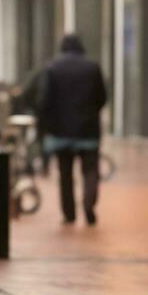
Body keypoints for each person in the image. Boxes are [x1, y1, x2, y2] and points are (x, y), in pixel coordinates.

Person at [35, 34, 108, 226]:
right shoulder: (93, 68)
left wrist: (47, 125)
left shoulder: (53, 68)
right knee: (90, 170)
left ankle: (69, 213)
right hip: (88, 130)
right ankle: (88, 204)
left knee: (65, 174)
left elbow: (45, 101)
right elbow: (102, 98)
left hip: (61, 132)